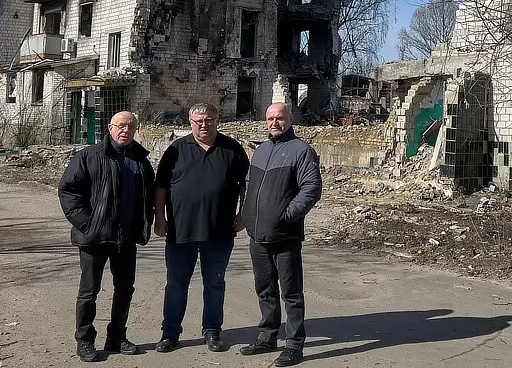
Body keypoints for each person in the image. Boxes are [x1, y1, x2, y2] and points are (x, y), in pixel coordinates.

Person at [58, 111, 156, 362]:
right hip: (94, 239)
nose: (125, 130)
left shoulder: (140, 160)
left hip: (126, 238)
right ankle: (85, 340)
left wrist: (146, 221)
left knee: (125, 289)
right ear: (110, 128)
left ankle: (116, 337)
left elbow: (149, 196)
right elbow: (69, 191)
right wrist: (87, 224)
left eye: (130, 127)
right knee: (89, 292)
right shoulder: (89, 156)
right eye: (121, 126)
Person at [154, 103, 250, 353]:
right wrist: (160, 218)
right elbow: (161, 185)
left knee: (215, 283)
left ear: (217, 120)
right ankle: (170, 333)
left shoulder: (232, 149)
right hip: (180, 231)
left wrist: (243, 214)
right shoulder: (176, 149)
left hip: (219, 230)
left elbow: (246, 184)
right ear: (191, 122)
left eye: (209, 120)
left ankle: (212, 331)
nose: (204, 125)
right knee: (176, 284)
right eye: (199, 121)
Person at [240, 102, 322, 367]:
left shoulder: (301, 150)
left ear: (290, 119)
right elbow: (249, 185)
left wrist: (285, 216)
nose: (274, 123)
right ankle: (267, 336)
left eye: (280, 118)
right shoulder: (261, 150)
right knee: (265, 289)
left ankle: (294, 345)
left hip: (285, 236)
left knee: (291, 293)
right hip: (257, 236)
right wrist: (247, 215)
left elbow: (311, 189)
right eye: (270, 118)